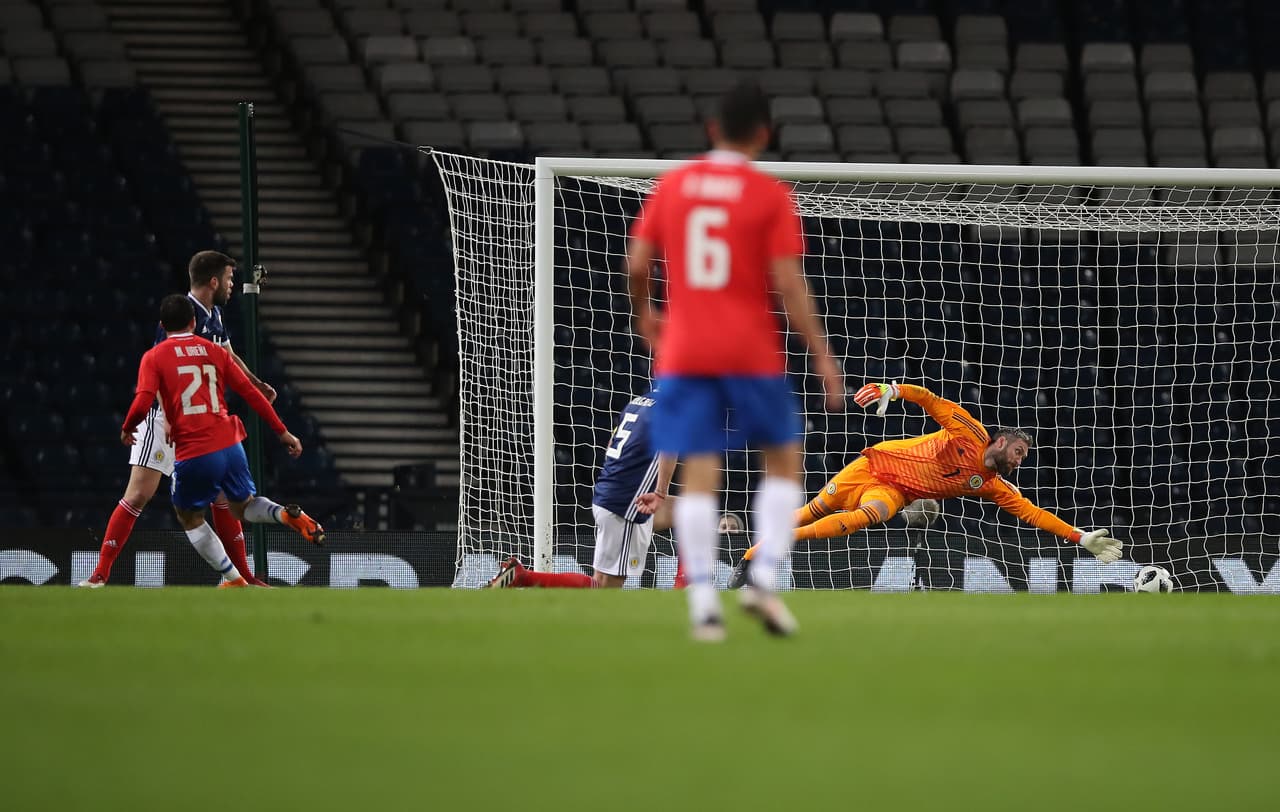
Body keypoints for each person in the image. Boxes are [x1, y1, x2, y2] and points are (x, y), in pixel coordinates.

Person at [626, 80, 844, 641]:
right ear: (764, 134)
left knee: (700, 470)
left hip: (685, 348)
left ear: (712, 129)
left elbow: (635, 262)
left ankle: (702, 601)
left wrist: (645, 312)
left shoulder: (674, 186)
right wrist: (821, 354)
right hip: (750, 349)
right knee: (782, 459)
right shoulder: (769, 195)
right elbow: (790, 284)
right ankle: (762, 579)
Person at [728, 381, 1123, 588]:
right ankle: (750, 556)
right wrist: (893, 390)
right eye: (1019, 452)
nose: (1020, 461)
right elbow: (930, 400)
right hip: (873, 465)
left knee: (872, 515)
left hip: (893, 493)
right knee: (814, 509)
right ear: (1001, 442)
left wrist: (1081, 537)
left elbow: (1032, 514)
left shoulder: (992, 484)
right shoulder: (970, 431)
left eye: (1023, 458)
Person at [80, 251, 276, 587]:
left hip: (201, 421)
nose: (231, 285)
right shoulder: (180, 316)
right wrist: (170, 418)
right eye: (229, 278)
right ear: (213, 281)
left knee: (221, 498)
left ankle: (242, 578)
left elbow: (228, 355)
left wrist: (256, 384)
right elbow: (160, 371)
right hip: (164, 422)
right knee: (138, 494)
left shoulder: (213, 315)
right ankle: (100, 573)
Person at [117, 294, 323, 587]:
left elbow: (143, 400)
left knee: (189, 516)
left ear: (162, 326)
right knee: (244, 506)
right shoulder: (215, 352)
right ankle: (283, 515)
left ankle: (232, 578)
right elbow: (253, 394)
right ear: (193, 322)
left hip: (195, 448)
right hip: (230, 443)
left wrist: (128, 427)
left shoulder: (154, 356)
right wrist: (282, 431)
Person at [487, 388, 678, 589]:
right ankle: (524, 577)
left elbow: (611, 444)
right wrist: (659, 492)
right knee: (604, 588)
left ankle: (685, 586)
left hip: (611, 490)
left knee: (690, 512)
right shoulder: (671, 406)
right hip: (629, 503)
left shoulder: (638, 402)